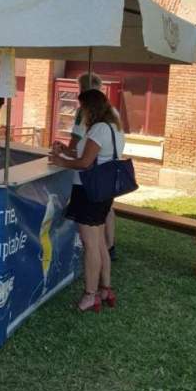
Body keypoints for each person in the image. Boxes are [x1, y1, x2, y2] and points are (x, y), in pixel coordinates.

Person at [49, 89, 125, 313]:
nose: (80, 111)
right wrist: (66, 152)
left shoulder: (99, 129)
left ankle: (90, 294)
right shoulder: (114, 128)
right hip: (102, 191)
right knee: (100, 241)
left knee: (90, 244)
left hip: (88, 192)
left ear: (91, 108)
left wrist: (61, 162)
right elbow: (90, 157)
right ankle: (105, 288)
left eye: (82, 107)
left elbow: (85, 163)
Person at [68, 72, 117, 261]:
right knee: (103, 224)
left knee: (91, 243)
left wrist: (64, 158)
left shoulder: (96, 124)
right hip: (106, 180)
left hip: (89, 184)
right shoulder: (113, 114)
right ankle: (110, 246)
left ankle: (91, 290)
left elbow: (83, 159)